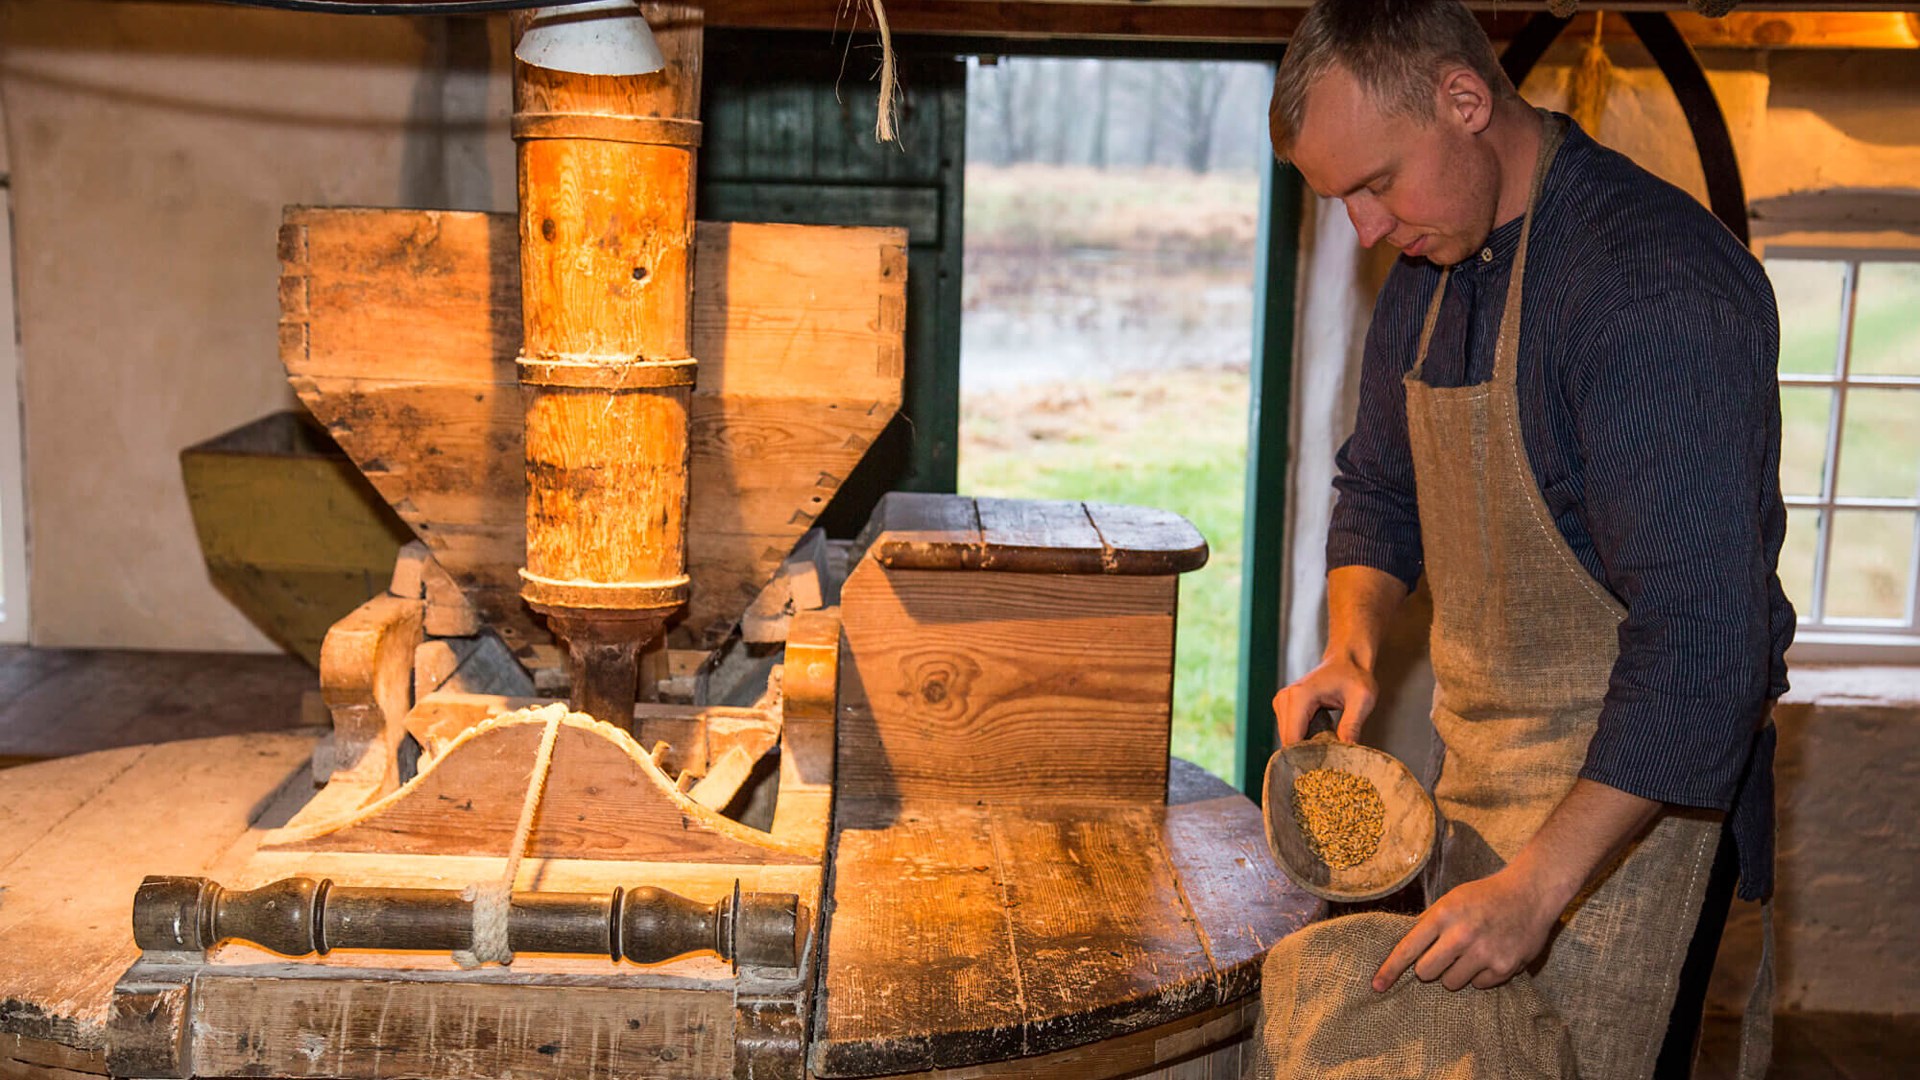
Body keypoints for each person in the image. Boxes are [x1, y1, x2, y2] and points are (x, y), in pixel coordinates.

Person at [1266, 1, 1790, 1076]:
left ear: (1465, 100)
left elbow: (1706, 648)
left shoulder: (1651, 288)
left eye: (1373, 183)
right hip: (1482, 786)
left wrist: (1543, 887)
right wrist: (1352, 646)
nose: (1364, 229)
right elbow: (1379, 488)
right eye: (1340, 200)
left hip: (1635, 831)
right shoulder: (1428, 271)